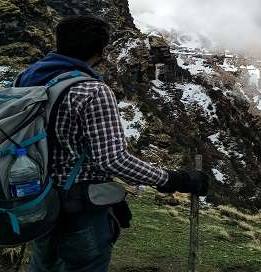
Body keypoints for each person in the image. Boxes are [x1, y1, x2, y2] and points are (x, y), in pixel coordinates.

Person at [20, 15, 208, 272]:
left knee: (43, 265)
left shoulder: (28, 78)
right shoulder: (91, 90)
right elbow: (113, 159)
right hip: (79, 207)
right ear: (100, 51)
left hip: (36, 198)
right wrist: (174, 180)